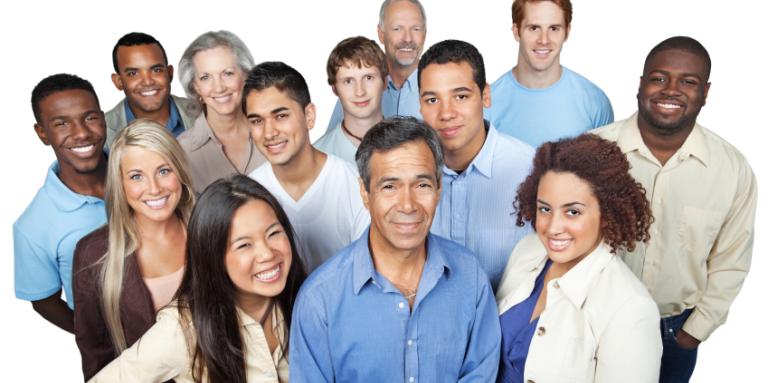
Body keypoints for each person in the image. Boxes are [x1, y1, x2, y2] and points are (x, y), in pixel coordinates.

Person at [592, 36, 757, 383]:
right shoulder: (592, 151)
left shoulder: (731, 169)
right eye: (659, 78)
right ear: (640, 85)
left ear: (706, 93)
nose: (671, 90)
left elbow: (731, 259)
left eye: (688, 82)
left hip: (675, 335)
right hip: (595, 324)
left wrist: (693, 332)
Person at [290, 117, 501, 382]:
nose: (407, 205)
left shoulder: (470, 276)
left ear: (438, 189)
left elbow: (481, 375)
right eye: (389, 186)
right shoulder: (319, 300)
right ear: (365, 193)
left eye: (422, 185)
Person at [89, 175, 307, 383]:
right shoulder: (182, 329)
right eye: (244, 245)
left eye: (274, 233)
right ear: (212, 256)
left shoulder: (307, 298)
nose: (268, 254)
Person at [495, 134, 662, 382]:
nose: (553, 227)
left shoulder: (631, 308)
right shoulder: (527, 251)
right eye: (545, 209)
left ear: (606, 213)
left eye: (573, 212)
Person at [73, 120, 196, 380]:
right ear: (121, 183)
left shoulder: (208, 228)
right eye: (136, 176)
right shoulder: (92, 254)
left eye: (164, 171)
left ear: (180, 171)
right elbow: (96, 355)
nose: (154, 188)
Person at [418, 39, 534, 289]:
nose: (446, 113)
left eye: (460, 96)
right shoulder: (409, 173)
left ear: (485, 96)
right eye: (432, 100)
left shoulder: (532, 169)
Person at [245, 61, 369, 272]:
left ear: (309, 116)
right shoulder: (248, 192)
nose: (269, 133)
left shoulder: (353, 184)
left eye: (281, 116)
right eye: (257, 121)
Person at [14, 74, 108, 333]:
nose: (81, 133)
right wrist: (95, 339)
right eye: (61, 124)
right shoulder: (32, 226)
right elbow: (44, 300)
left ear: (103, 118)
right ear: (42, 133)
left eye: (90, 118)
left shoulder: (144, 174)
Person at [486, 0, 613, 147]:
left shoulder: (595, 102)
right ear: (516, 31)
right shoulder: (487, 104)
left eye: (554, 28)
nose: (544, 40)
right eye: (534, 28)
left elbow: (606, 167)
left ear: (567, 32)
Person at [176, 30, 266, 194]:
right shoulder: (180, 151)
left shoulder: (273, 133)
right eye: (205, 77)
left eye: (228, 73)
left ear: (246, 75)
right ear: (195, 87)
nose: (219, 87)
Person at [324, 0, 426, 131]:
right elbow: (332, 146)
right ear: (381, 34)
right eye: (397, 29)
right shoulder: (358, 90)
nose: (407, 38)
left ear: (425, 33)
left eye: (416, 29)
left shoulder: (441, 87)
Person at [106, 32, 199, 146]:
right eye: (133, 73)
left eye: (156, 70)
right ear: (118, 82)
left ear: (169, 73)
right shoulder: (103, 132)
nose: (148, 81)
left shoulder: (205, 114)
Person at [314, 36, 387, 165]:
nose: (360, 92)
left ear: (385, 82)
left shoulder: (414, 147)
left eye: (368, 78)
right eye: (348, 81)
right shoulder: (317, 157)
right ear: (335, 89)